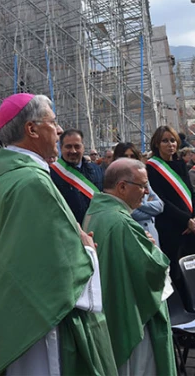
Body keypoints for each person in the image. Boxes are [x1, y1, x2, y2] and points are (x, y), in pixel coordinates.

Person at [0, 93, 115, 375]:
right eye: (53, 122)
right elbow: (60, 263)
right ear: (31, 129)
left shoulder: (1, 176)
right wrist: (88, 249)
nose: (57, 130)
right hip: (37, 322)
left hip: (11, 310)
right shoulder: (32, 181)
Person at [83, 158, 175, 375]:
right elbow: (153, 270)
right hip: (133, 317)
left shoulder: (95, 212)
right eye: (142, 186)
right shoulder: (123, 223)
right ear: (122, 187)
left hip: (111, 310)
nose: (146, 192)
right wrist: (152, 249)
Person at [146, 125, 195, 299]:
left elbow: (190, 192)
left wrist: (193, 218)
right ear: (157, 144)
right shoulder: (151, 167)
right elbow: (161, 200)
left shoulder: (180, 164)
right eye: (165, 141)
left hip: (191, 226)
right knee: (176, 272)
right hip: (171, 227)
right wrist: (185, 221)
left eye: (172, 140)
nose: (170, 144)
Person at [113, 142, 164, 247]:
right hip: (133, 235)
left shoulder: (143, 178)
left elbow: (159, 206)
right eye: (125, 156)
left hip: (152, 234)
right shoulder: (114, 181)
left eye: (132, 156)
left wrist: (138, 204)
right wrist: (149, 209)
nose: (129, 159)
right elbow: (130, 212)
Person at [50, 129, 104, 224]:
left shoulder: (97, 171)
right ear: (61, 148)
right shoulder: (52, 174)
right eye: (68, 147)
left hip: (96, 228)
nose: (73, 151)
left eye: (77, 146)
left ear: (83, 147)